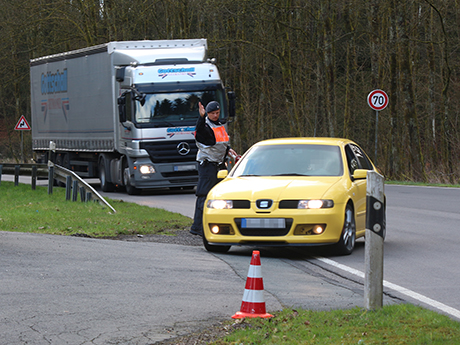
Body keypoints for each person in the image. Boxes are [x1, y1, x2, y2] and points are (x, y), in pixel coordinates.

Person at [190, 101, 238, 236]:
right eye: (212, 113)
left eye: (217, 113)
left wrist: (229, 150)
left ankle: (215, 224)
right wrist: (201, 116)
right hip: (207, 165)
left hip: (219, 165)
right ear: (208, 114)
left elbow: (220, 143)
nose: (215, 115)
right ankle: (197, 227)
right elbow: (200, 132)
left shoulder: (219, 125)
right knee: (204, 195)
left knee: (218, 196)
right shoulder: (205, 125)